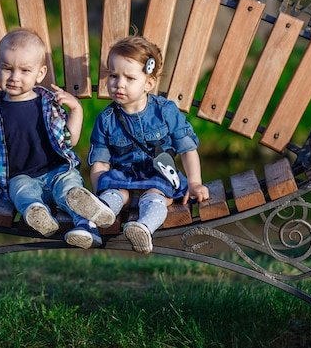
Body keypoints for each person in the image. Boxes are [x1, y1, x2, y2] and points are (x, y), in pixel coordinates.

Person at [0, 27, 109, 249]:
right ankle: (38, 214)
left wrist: (77, 110)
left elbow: (69, 141)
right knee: (21, 192)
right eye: (7, 69)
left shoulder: (48, 104)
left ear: (40, 73)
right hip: (21, 176)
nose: (14, 77)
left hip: (57, 171)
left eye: (25, 71)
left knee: (70, 189)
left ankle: (84, 226)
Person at [66, 36, 209, 254]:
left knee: (155, 194)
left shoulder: (166, 111)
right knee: (113, 193)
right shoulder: (106, 119)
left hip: (158, 175)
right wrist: (100, 190)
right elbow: (100, 164)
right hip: (123, 177)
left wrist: (195, 182)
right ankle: (94, 222)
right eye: (113, 76)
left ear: (148, 84)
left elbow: (187, 148)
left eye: (129, 78)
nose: (118, 84)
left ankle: (142, 228)